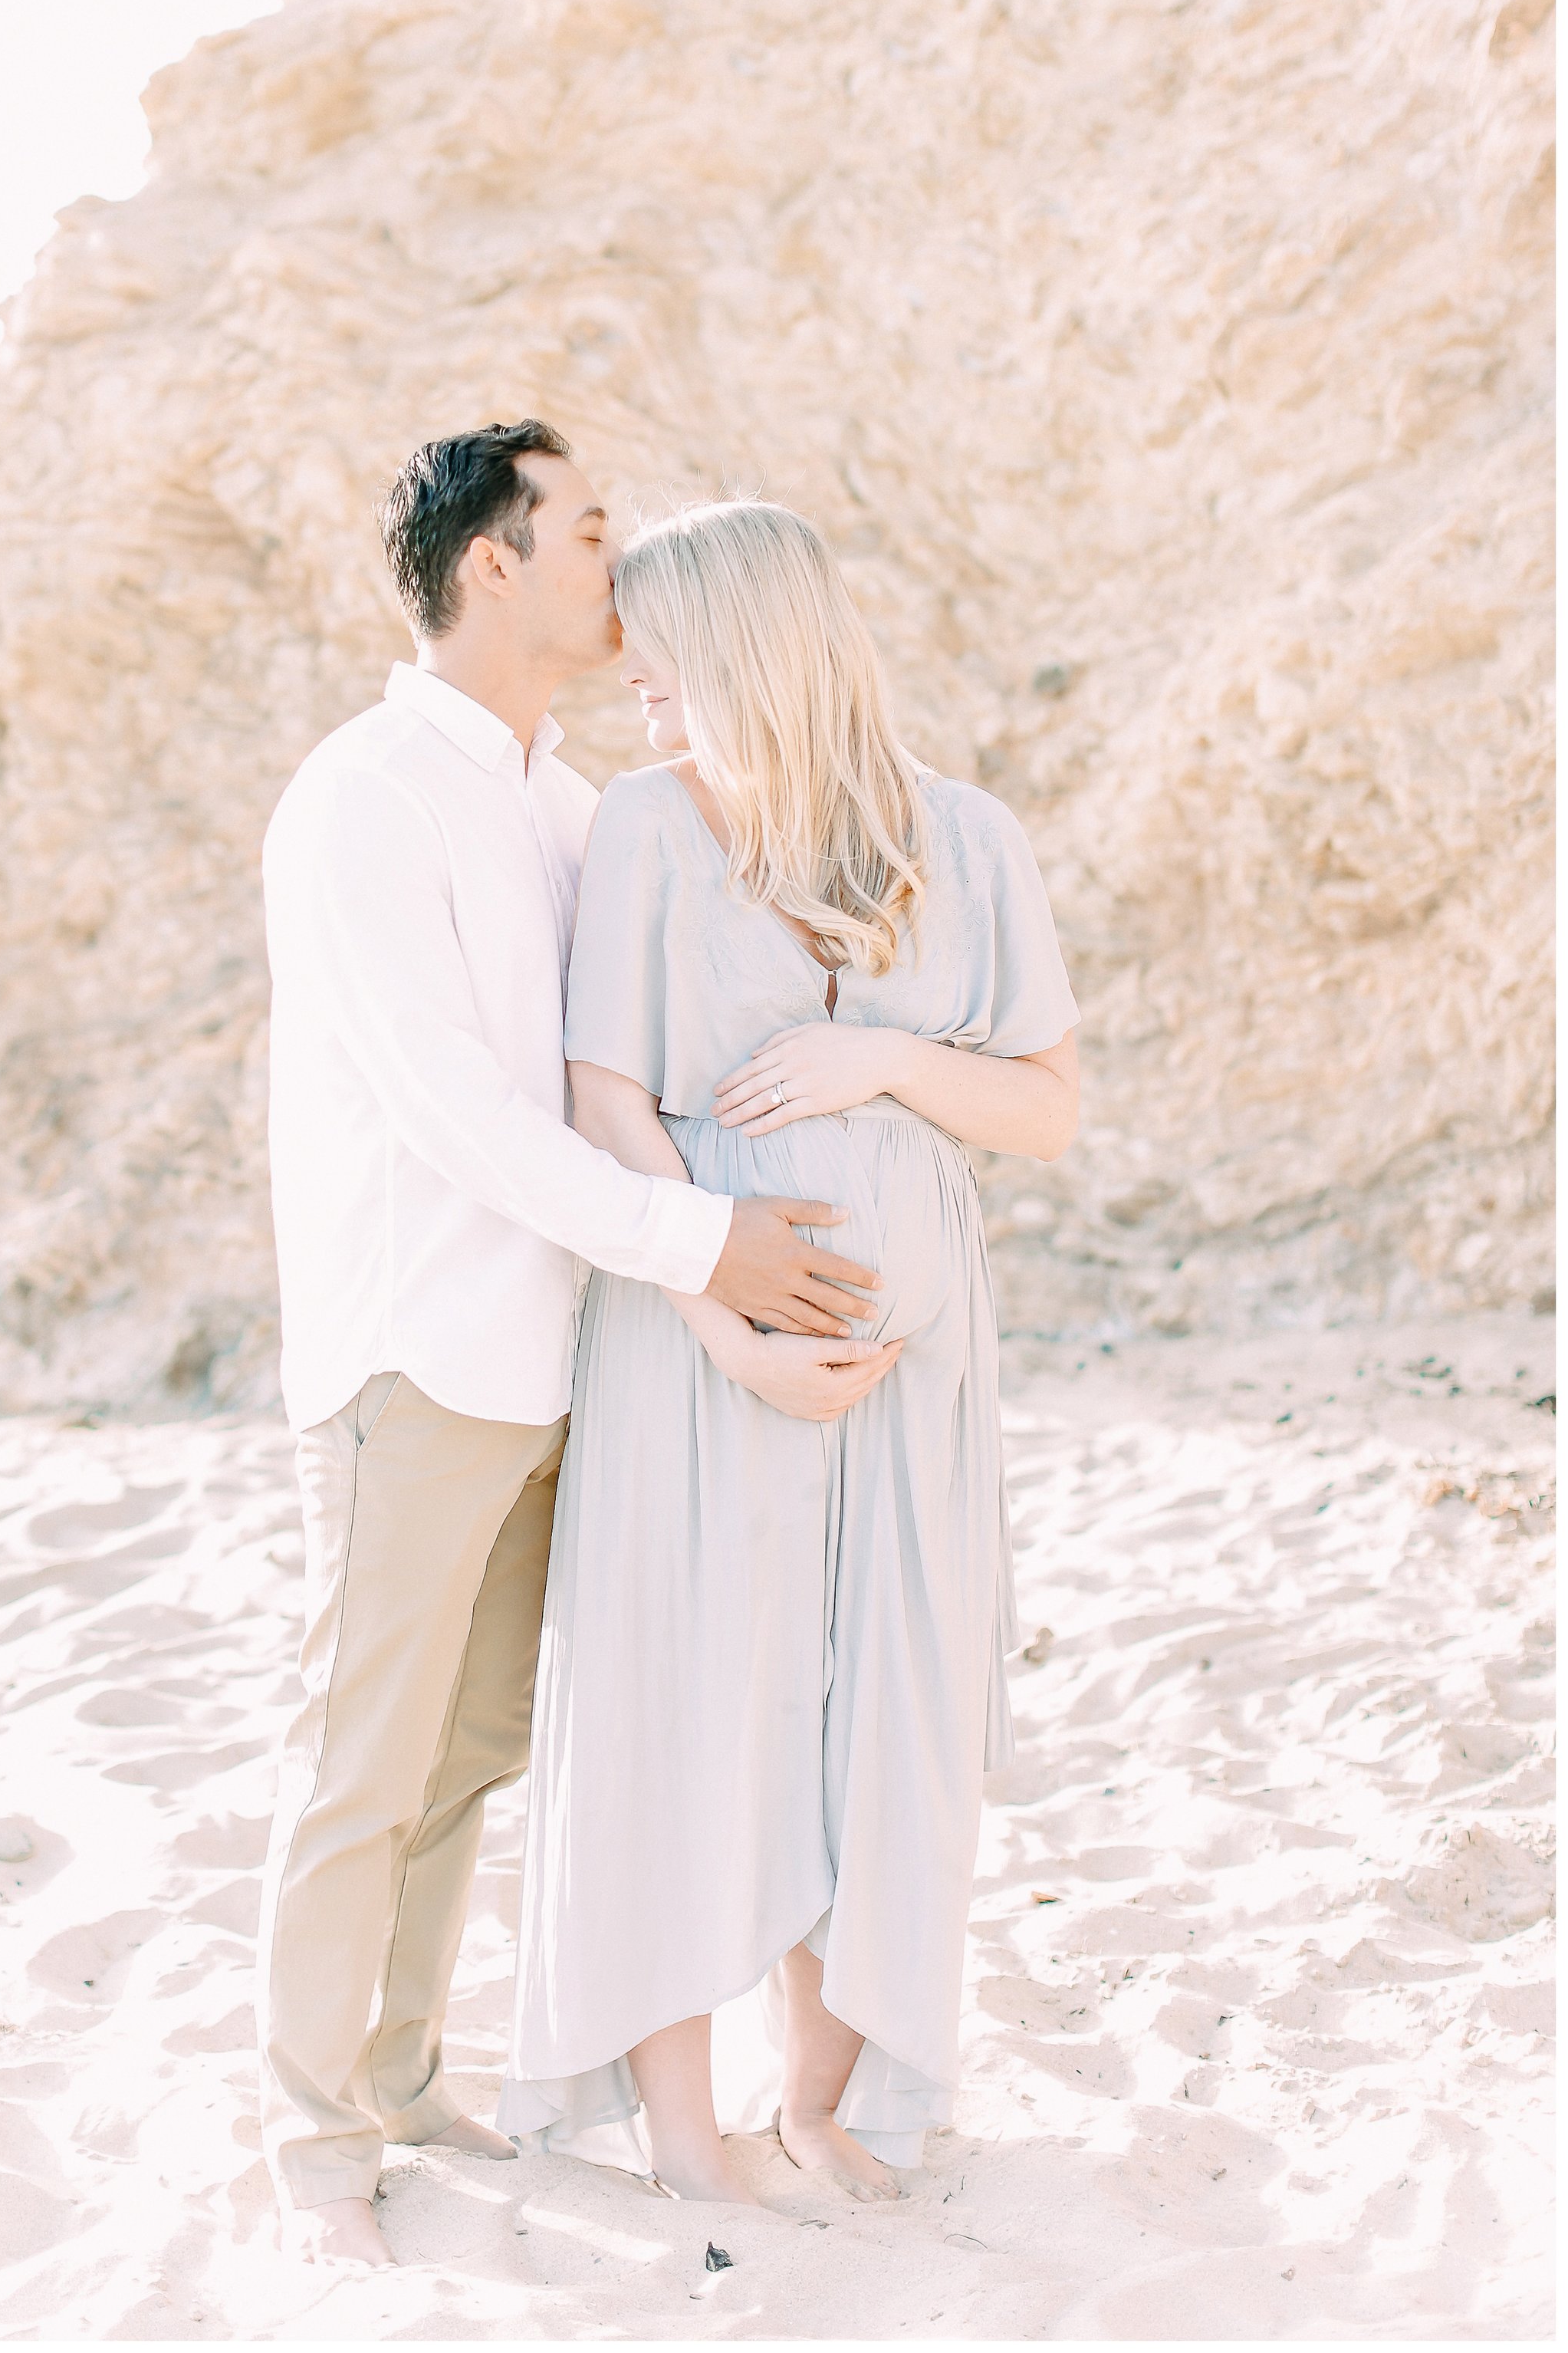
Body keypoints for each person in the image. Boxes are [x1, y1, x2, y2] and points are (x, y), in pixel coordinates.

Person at [255, 425, 900, 2271]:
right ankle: (311, 2140)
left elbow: (610, 1078)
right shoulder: (366, 793)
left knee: (463, 1758)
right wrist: (710, 1245)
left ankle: (394, 2077)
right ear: (491, 566)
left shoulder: (559, 800)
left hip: (558, 1357)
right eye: (590, 537)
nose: (622, 572)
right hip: (414, 1353)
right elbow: (463, 1117)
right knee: (359, 1757)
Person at [500, 498, 1081, 2205]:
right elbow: (604, 1090)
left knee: (875, 1698)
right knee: (690, 1692)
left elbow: (1042, 1108)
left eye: (663, 654)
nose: (639, 687)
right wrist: (715, 1319)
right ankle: (685, 2129)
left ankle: (824, 2097)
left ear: (745, 644)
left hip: (910, 1374)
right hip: (697, 1349)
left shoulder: (964, 836)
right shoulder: (643, 828)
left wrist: (878, 1064)